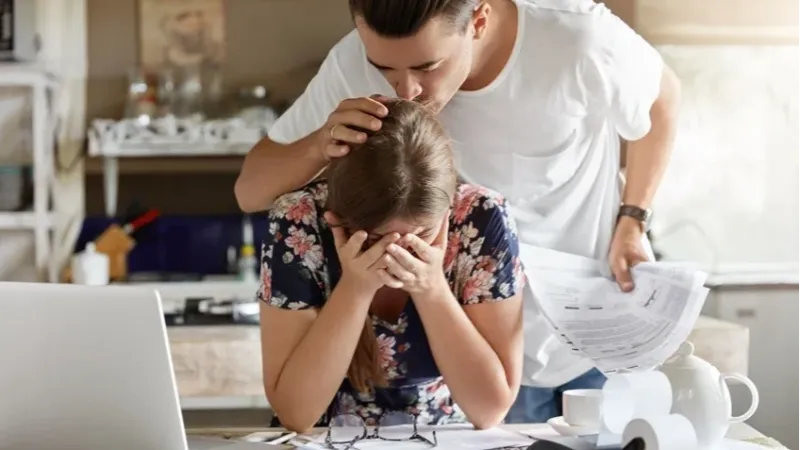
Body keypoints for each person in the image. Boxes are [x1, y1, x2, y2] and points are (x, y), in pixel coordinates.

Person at [239, 0, 681, 423]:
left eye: (427, 66)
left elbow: (662, 100)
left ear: (479, 21)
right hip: (466, 350)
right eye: (384, 69)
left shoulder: (579, 39)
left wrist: (633, 219)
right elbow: (250, 190)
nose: (406, 90)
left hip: (587, 326)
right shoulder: (356, 59)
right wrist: (320, 141)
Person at [258, 99, 525, 432]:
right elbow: (296, 414)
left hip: (442, 434)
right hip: (326, 436)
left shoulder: (482, 216)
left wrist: (431, 289)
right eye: (376, 237)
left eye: (421, 235)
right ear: (339, 219)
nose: (397, 251)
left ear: (447, 211)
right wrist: (355, 289)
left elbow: (489, 410)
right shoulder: (298, 219)